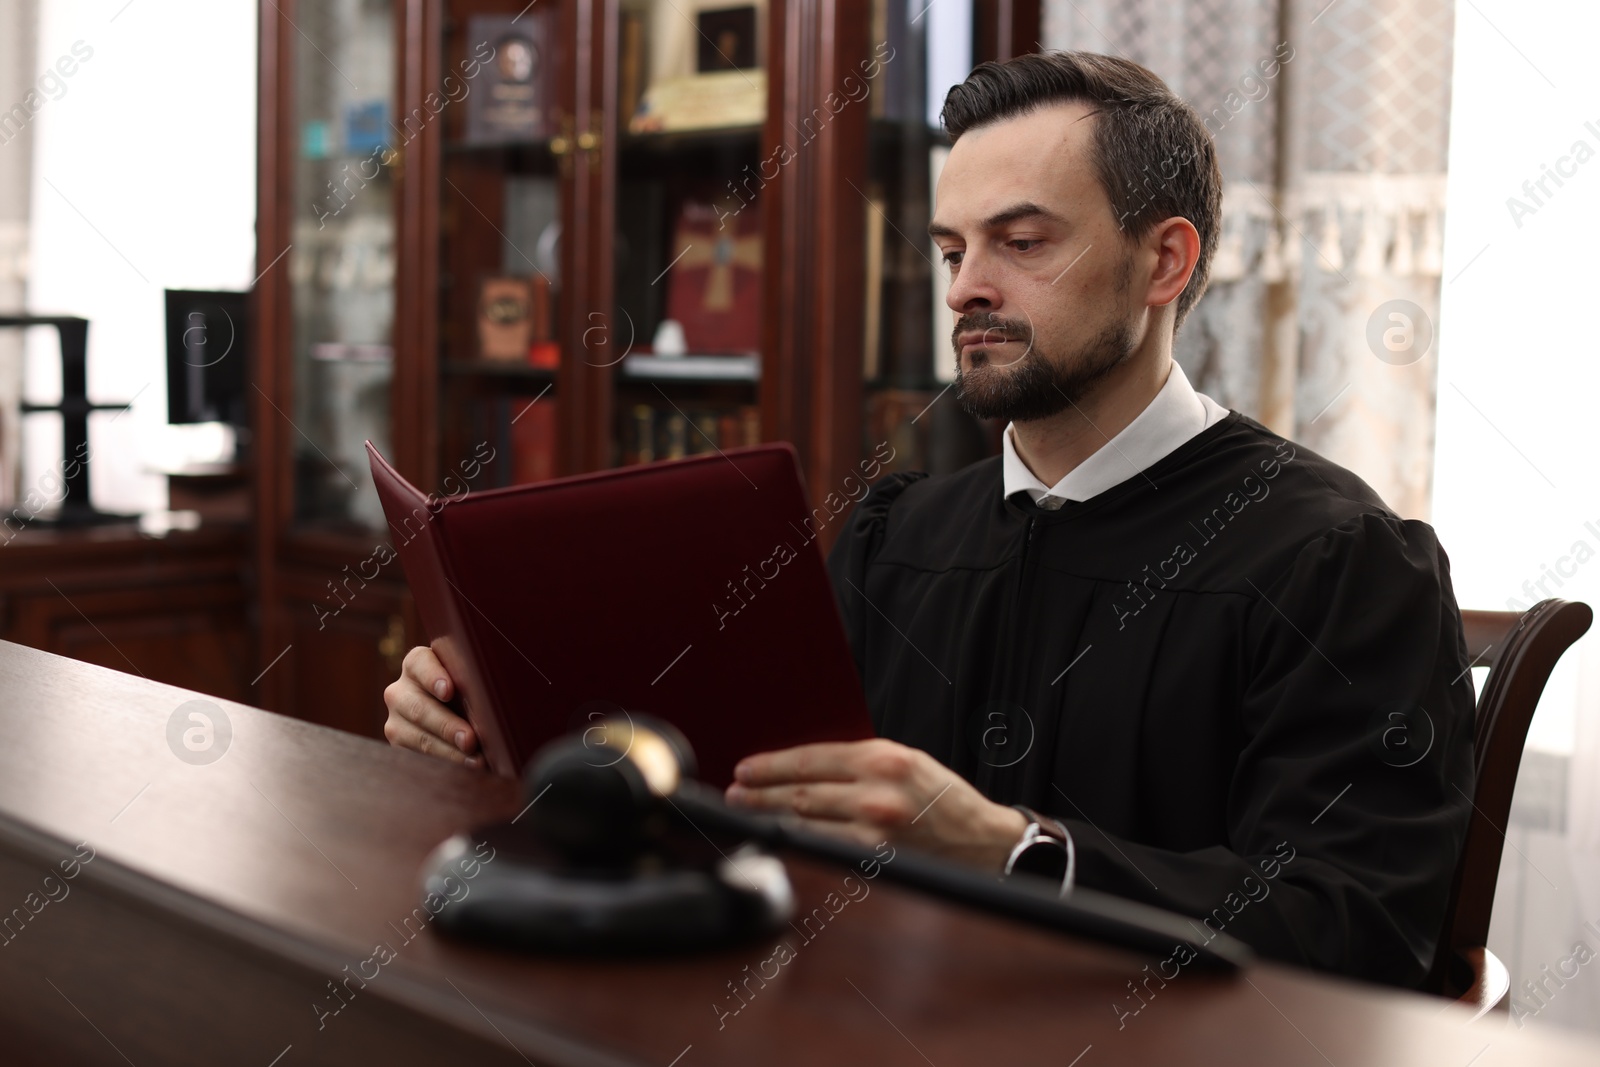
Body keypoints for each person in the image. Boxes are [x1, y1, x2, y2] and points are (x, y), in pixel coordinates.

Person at [384, 50, 1474, 989]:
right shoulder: (897, 532)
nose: (964, 290)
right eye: (953, 250)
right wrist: (504, 735)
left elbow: (1360, 934)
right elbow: (747, 803)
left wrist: (1016, 852)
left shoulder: (1335, 558)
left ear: (1165, 261)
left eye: (1022, 242)